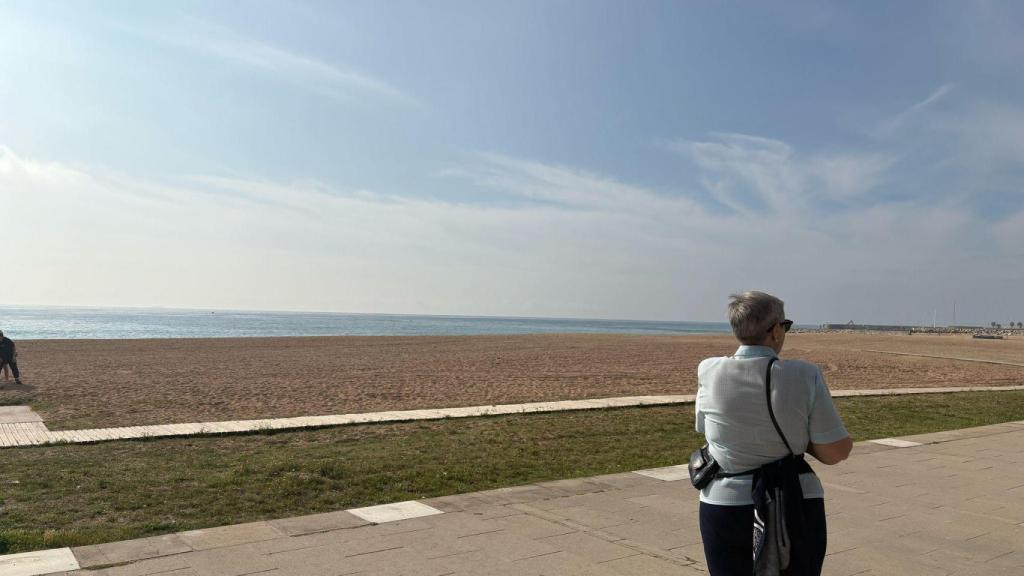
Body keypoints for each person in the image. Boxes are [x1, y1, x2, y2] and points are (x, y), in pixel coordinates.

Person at [696, 291, 852, 575]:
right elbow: (836, 451)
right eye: (786, 325)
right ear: (776, 331)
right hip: (792, 502)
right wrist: (800, 441)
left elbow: (706, 431)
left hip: (724, 500)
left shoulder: (708, 370)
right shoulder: (804, 374)